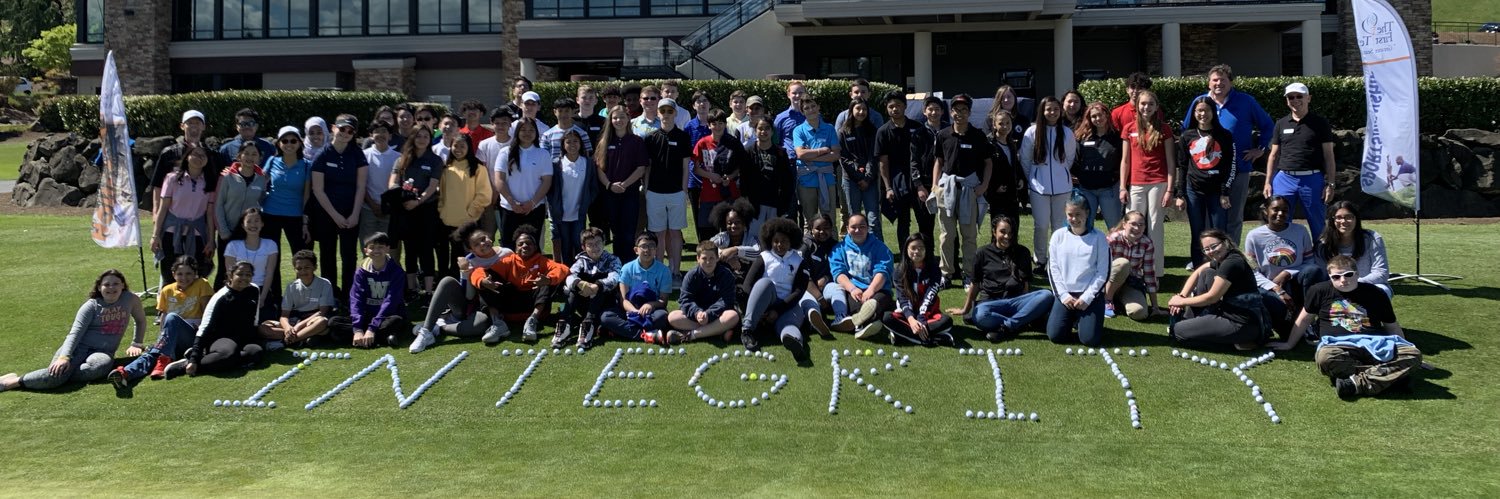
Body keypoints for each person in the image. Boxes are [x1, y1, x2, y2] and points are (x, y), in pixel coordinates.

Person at [1269, 256, 1420, 399]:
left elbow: (1391, 326)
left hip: (1375, 343)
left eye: (1348, 274)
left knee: (1413, 355)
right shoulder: (1318, 291)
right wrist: (1289, 344)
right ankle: (1392, 378)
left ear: (1357, 273)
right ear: (1330, 276)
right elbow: (1304, 319)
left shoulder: (1375, 293)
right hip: (1337, 346)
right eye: (1336, 277)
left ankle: (1354, 384)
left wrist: (1404, 348)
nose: (1343, 280)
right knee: (1325, 358)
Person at [0, 270, 144, 393]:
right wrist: (64, 358)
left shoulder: (130, 299)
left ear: (123, 285)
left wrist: (136, 343)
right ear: (99, 287)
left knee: (99, 367)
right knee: (55, 377)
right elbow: (75, 334)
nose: (111, 288)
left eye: (116, 283)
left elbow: (140, 320)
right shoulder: (91, 306)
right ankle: (13, 381)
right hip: (78, 348)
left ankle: (62, 375)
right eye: (106, 284)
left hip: (102, 352)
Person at [1181, 64, 1275, 245]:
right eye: (1215, 80)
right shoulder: (1200, 102)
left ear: (1231, 82)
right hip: (1205, 173)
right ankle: (1205, 258)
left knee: (1233, 216)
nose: (1218, 83)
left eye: (1223, 80)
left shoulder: (1246, 101)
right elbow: (1187, 131)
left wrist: (1260, 149)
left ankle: (1231, 255)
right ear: (1208, 83)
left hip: (1238, 167)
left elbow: (1268, 126)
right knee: (1207, 218)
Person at [109, 258, 210, 389]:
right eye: (180, 274)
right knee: (154, 352)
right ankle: (126, 374)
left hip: (193, 337)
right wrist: (161, 341)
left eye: (189, 273)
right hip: (171, 338)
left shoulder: (202, 284)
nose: (184, 278)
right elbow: (164, 317)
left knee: (172, 318)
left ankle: (164, 359)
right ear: (173, 274)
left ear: (195, 273)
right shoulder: (167, 290)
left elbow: (208, 315)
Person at [948, 216, 1053, 342]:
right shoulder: (982, 253)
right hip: (991, 304)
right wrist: (965, 309)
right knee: (979, 314)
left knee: (1046, 295)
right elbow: (975, 284)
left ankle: (1007, 326)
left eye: (1010, 233)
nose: (1007, 237)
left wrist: (1025, 305)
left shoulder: (1022, 252)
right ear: (994, 232)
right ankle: (1020, 321)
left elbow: (1025, 286)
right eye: (1003, 232)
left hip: (1016, 302)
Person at [408, 227, 509, 354]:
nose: (483, 244)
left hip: (490, 307)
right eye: (477, 244)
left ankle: (439, 327)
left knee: (481, 325)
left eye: (484, 239)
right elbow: (469, 296)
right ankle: (426, 331)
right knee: (447, 281)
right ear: (471, 249)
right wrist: (465, 271)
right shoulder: (470, 260)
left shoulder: (506, 253)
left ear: (490, 237)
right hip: (470, 306)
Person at [1168, 228, 1271, 350]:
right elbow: (1199, 271)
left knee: (1178, 331)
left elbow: (1212, 297)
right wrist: (1182, 295)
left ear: (1225, 242)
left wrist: (1181, 302)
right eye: (1206, 249)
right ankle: (1196, 322)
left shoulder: (1231, 262)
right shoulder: (1223, 258)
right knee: (1207, 273)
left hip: (1242, 324)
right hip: (1231, 314)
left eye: (1214, 246)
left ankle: (1239, 343)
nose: (1211, 251)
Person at [932, 93, 993, 285]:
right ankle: (946, 274)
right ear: (950, 113)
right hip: (947, 189)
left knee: (969, 235)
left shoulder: (978, 135)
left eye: (964, 110)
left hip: (969, 189)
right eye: (956, 110)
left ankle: (969, 274)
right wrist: (935, 185)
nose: (960, 113)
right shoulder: (943, 135)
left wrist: (983, 186)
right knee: (946, 235)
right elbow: (939, 161)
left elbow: (988, 163)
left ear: (969, 112)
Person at [1264, 82, 1338, 240]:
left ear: (1308, 98)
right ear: (1287, 100)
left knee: (1317, 223)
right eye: (1291, 97)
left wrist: (1330, 183)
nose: (1295, 100)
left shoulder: (1320, 123)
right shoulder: (1281, 123)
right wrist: (1268, 181)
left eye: (1299, 96)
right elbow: (1273, 155)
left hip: (1312, 179)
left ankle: (1321, 260)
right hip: (1284, 178)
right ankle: (1282, 259)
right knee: (1280, 221)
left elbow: (1329, 156)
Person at [472, 225, 569, 344]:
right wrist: (482, 281)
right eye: (520, 244)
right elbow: (478, 271)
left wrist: (549, 279)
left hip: (535, 306)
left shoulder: (542, 261)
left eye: (528, 243)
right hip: (511, 307)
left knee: (545, 281)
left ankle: (532, 322)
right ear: (515, 247)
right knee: (485, 282)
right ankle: (498, 323)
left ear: (535, 246)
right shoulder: (509, 261)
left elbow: (563, 269)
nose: (524, 246)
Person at [739, 217, 816, 363]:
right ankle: (747, 330)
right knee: (765, 283)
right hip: (766, 301)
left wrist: (778, 310)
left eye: (784, 241)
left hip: (788, 305)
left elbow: (799, 291)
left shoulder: (799, 261)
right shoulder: (764, 257)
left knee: (789, 326)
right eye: (776, 241)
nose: (779, 245)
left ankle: (795, 343)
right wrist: (758, 310)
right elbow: (748, 285)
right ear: (770, 240)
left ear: (791, 242)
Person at [310, 114, 369, 300]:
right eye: (342, 129)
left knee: (349, 256)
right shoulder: (322, 154)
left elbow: (361, 186)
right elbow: (318, 190)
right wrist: (335, 216)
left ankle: (348, 295)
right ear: (333, 128)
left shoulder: (357, 154)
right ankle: (331, 296)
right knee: (327, 255)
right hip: (327, 213)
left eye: (350, 131)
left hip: (351, 213)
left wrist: (354, 214)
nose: (345, 133)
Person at [1119, 89, 1176, 282]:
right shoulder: (1128, 128)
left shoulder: (1165, 129)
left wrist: (1170, 189)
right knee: (1133, 227)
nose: (1146, 107)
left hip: (1158, 183)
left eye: (1151, 104)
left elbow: (1170, 161)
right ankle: (1131, 271)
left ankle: (1155, 272)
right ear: (1137, 105)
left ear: (1156, 107)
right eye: (1143, 103)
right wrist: (1122, 187)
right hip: (1135, 183)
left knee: (1154, 227)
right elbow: (1125, 161)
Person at [1175, 96, 1238, 268]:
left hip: (1217, 192)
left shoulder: (1225, 135)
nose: (1203, 114)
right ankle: (1199, 270)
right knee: (1197, 233)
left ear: (1213, 112)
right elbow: (1182, 166)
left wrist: (1225, 192)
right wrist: (1180, 194)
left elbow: (1230, 166)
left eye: (1206, 110)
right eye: (1199, 111)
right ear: (1194, 113)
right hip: (1194, 191)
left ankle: (1222, 269)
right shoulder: (1186, 136)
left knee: (1219, 234)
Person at [812, 214, 895, 340]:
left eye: (862, 227)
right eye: (853, 227)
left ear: (868, 228)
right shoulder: (839, 249)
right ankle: (870, 321)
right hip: (854, 290)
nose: (858, 230)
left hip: (878, 290)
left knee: (875, 302)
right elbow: (838, 273)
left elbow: (882, 272)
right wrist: (852, 289)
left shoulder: (880, 247)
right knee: (856, 307)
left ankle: (861, 324)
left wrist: (871, 290)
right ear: (847, 228)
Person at [1245, 196, 1317, 336]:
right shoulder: (1254, 236)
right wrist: (1276, 288)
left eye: (1285, 210)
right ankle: (1279, 324)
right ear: (1266, 211)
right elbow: (1251, 271)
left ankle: (1307, 319)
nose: (1280, 214)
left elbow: (1309, 261)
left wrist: (1288, 273)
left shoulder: (1300, 231)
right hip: (1269, 287)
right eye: (1275, 209)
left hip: (1296, 283)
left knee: (1313, 271)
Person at [1021, 96, 1077, 272]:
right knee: (1042, 225)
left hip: (1062, 188)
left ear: (1060, 112)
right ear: (1042, 111)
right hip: (1038, 187)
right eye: (1048, 109)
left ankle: (1056, 259)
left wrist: (1062, 173)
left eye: (1055, 109)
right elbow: (1025, 159)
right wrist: (1034, 177)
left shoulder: (1067, 133)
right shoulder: (1032, 132)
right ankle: (1041, 260)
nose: (1052, 112)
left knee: (1059, 225)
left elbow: (1069, 158)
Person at [179, 262, 264, 376]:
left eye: (248, 275)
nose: (244, 278)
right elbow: (204, 328)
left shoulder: (254, 290)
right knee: (227, 354)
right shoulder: (221, 297)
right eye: (240, 274)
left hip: (242, 338)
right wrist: (194, 357)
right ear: (230, 276)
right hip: (220, 338)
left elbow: (254, 318)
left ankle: (225, 359)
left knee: (256, 352)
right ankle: (190, 363)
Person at [1046, 196, 1109, 347]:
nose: (1074, 218)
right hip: (1066, 296)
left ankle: (1086, 320)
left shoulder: (1099, 238)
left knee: (1089, 339)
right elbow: (1052, 269)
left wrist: (1087, 297)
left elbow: (1103, 272)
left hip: (1090, 297)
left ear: (1087, 213)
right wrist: (1063, 295)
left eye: (1078, 214)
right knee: (1056, 336)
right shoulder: (1058, 236)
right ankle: (1073, 318)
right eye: (1070, 215)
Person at [388, 125, 443, 296]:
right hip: (405, 210)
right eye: (418, 136)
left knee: (426, 249)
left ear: (430, 139)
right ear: (412, 138)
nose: (422, 139)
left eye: (426, 136)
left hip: (426, 209)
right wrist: (402, 196)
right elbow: (393, 182)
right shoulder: (402, 159)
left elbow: (433, 186)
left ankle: (428, 291)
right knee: (410, 249)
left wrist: (417, 201)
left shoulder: (435, 160)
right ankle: (411, 289)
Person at [599, 232, 681, 346]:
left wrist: (650, 305)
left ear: (656, 250)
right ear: (636, 250)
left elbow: (663, 301)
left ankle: (620, 331)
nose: (647, 250)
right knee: (606, 317)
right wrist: (635, 312)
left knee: (662, 317)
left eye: (651, 246)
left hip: (651, 312)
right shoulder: (627, 268)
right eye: (643, 246)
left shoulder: (664, 271)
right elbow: (624, 300)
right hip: (629, 309)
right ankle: (647, 335)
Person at [151, 144, 217, 283]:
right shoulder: (172, 178)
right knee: (170, 274)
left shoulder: (210, 182)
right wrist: (155, 235)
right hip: (171, 232)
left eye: (203, 156)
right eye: (196, 154)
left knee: (196, 274)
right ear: (187, 157)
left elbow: (210, 215)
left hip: (197, 234)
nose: (199, 158)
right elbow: (163, 209)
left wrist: (211, 240)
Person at [643, 97, 693, 281]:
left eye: (669, 111)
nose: (666, 115)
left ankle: (676, 270)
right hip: (655, 192)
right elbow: (647, 166)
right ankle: (660, 271)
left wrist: (684, 190)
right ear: (658, 113)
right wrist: (647, 189)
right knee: (658, 233)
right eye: (662, 111)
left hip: (676, 192)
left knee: (675, 232)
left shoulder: (683, 137)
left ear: (675, 113)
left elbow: (686, 166)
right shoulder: (650, 138)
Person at [261, 126, 313, 296]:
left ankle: (300, 295)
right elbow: (259, 183)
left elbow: (306, 196)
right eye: (285, 141)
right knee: (272, 257)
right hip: (270, 214)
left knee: (301, 258)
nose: (289, 144)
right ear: (279, 144)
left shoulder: (306, 165)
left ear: (299, 143)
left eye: (293, 141)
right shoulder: (272, 161)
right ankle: (274, 296)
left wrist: (305, 222)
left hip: (295, 216)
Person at [437, 134, 494, 279]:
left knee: (469, 256)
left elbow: (484, 194)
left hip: (469, 221)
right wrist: (442, 211)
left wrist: (470, 213)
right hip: (448, 220)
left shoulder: (478, 168)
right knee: (451, 255)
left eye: (462, 146)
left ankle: (472, 285)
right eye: (455, 145)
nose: (458, 149)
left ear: (469, 148)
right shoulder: (446, 168)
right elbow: (441, 194)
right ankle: (451, 283)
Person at [595, 105, 649, 257]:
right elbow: (599, 168)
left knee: (629, 232)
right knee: (616, 233)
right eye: (615, 117)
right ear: (610, 120)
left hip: (630, 193)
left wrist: (624, 184)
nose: (619, 120)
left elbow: (641, 168)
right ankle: (617, 265)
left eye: (622, 117)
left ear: (628, 119)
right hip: (610, 194)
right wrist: (609, 185)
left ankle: (629, 265)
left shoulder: (636, 141)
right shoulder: (604, 142)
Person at [554, 227, 621, 349]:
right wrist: (581, 284)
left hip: (605, 304)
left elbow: (615, 278)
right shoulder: (580, 261)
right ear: (584, 247)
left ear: (604, 243)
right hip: (584, 302)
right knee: (573, 289)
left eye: (598, 243)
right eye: (590, 245)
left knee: (599, 287)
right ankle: (563, 325)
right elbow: (569, 276)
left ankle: (588, 325)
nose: (595, 247)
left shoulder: (613, 260)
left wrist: (596, 286)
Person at [883, 233, 954, 346]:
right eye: (913, 248)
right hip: (906, 316)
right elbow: (902, 297)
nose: (916, 251)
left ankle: (903, 337)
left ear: (927, 250)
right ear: (906, 249)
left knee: (947, 321)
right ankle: (930, 339)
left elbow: (930, 296)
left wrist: (921, 320)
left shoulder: (934, 269)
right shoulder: (899, 270)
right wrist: (911, 320)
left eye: (921, 248)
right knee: (886, 318)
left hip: (928, 314)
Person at [876, 91, 928, 245]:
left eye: (898, 105)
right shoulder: (883, 131)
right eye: (891, 106)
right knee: (903, 221)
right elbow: (883, 162)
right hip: (898, 182)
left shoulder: (917, 127)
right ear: (887, 108)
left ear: (905, 106)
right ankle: (906, 256)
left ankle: (927, 254)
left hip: (918, 180)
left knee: (924, 219)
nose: (895, 109)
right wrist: (888, 187)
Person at [212, 142, 266, 286]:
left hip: (248, 232)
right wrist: (223, 232)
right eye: (246, 153)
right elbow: (218, 205)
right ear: (239, 156)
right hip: (228, 231)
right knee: (226, 271)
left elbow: (260, 202)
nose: (250, 157)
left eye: (254, 154)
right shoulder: (227, 177)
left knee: (245, 269)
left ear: (259, 158)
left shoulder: (262, 179)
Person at [1309, 201, 1391, 296]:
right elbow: (1323, 274)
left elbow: (1381, 272)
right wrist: (1341, 285)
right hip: (1336, 287)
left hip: (1367, 285)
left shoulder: (1372, 238)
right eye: (1338, 217)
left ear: (1356, 219)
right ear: (1332, 220)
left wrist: (1354, 283)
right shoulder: (1323, 244)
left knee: (1383, 290)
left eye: (1348, 217)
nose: (1343, 221)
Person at [668, 240, 742, 343]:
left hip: (718, 314)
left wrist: (709, 314)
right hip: (698, 316)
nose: (708, 262)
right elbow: (685, 300)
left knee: (732, 316)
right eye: (704, 258)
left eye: (712, 258)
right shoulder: (691, 275)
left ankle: (693, 335)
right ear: (698, 259)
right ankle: (716, 331)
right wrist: (697, 312)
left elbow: (727, 301)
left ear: (717, 258)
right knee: (673, 317)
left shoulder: (726, 275)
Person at [495, 118, 552, 247]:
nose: (527, 133)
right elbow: (499, 180)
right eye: (523, 129)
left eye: (531, 130)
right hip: (509, 208)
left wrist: (532, 203)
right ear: (517, 132)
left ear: (536, 133)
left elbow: (547, 181)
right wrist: (512, 202)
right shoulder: (505, 152)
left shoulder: (542, 154)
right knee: (508, 247)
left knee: (532, 247)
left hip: (535, 209)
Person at [693, 109, 746, 247]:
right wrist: (710, 175)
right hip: (708, 194)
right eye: (714, 124)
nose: (717, 127)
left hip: (730, 193)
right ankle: (708, 259)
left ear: (725, 124)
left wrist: (730, 177)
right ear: (709, 125)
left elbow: (741, 166)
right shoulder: (702, 143)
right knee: (707, 230)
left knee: (731, 230)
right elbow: (696, 168)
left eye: (721, 123)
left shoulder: (733, 143)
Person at [547, 129, 599, 268]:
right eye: (568, 142)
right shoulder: (557, 164)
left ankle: (580, 272)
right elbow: (551, 190)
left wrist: (587, 201)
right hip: (562, 214)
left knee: (579, 244)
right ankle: (566, 275)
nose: (572, 144)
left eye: (575, 141)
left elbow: (593, 187)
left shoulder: (587, 163)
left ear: (581, 144)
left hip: (578, 214)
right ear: (563, 145)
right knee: (565, 245)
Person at [261, 250, 334, 348]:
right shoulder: (291, 286)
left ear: (315, 267)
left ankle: (286, 341)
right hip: (295, 320)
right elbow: (284, 315)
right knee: (263, 328)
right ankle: (303, 336)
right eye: (299, 268)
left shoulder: (325, 284)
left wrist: (297, 327)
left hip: (313, 319)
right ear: (295, 269)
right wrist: (287, 328)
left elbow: (322, 311)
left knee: (323, 322)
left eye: (307, 267)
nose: (303, 271)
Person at [151, 110, 218, 217]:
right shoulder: (169, 153)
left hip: (200, 216)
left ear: (203, 126)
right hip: (172, 214)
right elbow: (158, 184)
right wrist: (156, 211)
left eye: (197, 123)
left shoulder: (211, 154)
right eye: (190, 122)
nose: (194, 126)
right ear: (182, 126)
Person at [347, 232, 406, 348]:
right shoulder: (361, 272)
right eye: (372, 247)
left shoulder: (397, 272)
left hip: (387, 315)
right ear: (366, 251)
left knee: (397, 320)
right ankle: (378, 337)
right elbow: (356, 299)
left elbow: (391, 301)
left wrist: (372, 327)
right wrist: (358, 329)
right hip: (367, 315)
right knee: (334, 322)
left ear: (388, 249)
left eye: (380, 247)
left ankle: (367, 337)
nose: (376, 251)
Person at [1072, 102, 1124, 231]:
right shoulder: (1082, 137)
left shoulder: (1117, 137)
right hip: (1086, 189)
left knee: (1115, 227)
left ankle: (1114, 251)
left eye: (1100, 115)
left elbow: (1123, 160)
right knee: (1085, 226)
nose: (1097, 119)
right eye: (1093, 116)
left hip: (1110, 189)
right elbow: (1075, 160)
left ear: (1107, 115)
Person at [1103, 211, 1162, 321]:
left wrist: (1155, 307)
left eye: (1141, 225)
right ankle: (1107, 301)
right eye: (1133, 224)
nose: (1137, 228)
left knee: (1139, 313)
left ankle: (1118, 301)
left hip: (1130, 283)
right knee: (1123, 264)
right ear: (1124, 224)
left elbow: (1149, 274)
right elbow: (1099, 266)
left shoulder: (1147, 243)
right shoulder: (1112, 239)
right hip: (1107, 281)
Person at [741, 118, 794, 238]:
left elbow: (787, 181)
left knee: (774, 238)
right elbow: (743, 180)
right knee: (753, 238)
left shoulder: (780, 153)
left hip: (775, 204)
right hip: (755, 205)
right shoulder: (748, 152)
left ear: (772, 131)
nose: (763, 131)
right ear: (755, 131)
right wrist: (747, 204)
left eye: (767, 128)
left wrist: (784, 205)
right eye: (760, 128)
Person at [223, 208, 279, 319]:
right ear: (243, 225)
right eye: (249, 221)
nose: (253, 224)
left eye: (257, 220)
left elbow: (269, 273)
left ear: (262, 223)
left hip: (261, 290)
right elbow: (230, 274)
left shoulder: (270, 245)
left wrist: (262, 298)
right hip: (238, 288)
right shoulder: (233, 246)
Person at [793, 96, 841, 226]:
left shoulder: (829, 128)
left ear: (818, 107)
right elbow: (800, 154)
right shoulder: (798, 130)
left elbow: (836, 154)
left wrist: (811, 155)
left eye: (813, 106)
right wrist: (823, 150)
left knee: (829, 218)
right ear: (802, 112)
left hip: (827, 178)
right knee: (810, 220)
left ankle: (832, 245)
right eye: (806, 108)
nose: (811, 110)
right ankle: (811, 246)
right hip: (806, 179)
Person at [840, 98, 882, 240]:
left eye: (864, 109)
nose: (861, 112)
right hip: (851, 180)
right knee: (854, 218)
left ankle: (878, 252)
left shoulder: (873, 131)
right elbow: (843, 158)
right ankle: (856, 251)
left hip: (870, 180)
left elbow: (874, 156)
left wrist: (867, 177)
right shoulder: (843, 132)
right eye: (858, 109)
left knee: (873, 219)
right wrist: (858, 176)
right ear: (851, 110)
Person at [359, 119, 401, 241]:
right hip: (368, 208)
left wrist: (387, 205)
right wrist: (372, 204)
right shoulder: (364, 155)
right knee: (368, 246)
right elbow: (361, 184)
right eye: (377, 131)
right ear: (371, 135)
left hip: (390, 210)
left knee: (389, 247)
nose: (381, 135)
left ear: (390, 135)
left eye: (384, 131)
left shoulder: (398, 157)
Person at [983, 108, 1024, 227]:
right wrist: (993, 187)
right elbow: (984, 168)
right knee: (999, 228)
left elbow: (1015, 165)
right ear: (994, 125)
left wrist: (1020, 179)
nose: (1005, 126)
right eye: (1001, 123)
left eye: (1008, 123)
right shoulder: (989, 144)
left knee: (1013, 226)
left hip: (1012, 193)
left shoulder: (1012, 143)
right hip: (997, 194)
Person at [684, 91, 714, 239]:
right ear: (694, 106)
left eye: (705, 101)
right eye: (699, 101)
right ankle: (701, 242)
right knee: (697, 212)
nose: (702, 104)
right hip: (694, 178)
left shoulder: (715, 124)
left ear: (710, 104)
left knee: (714, 213)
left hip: (713, 177)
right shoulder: (689, 127)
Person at [543, 97, 594, 163]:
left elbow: (587, 155)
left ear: (573, 112)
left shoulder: (582, 133)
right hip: (553, 171)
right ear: (555, 112)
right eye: (560, 111)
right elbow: (543, 157)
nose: (563, 114)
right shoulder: (547, 135)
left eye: (567, 111)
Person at [774, 80, 809, 165]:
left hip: (810, 162)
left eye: (800, 93)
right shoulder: (780, 118)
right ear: (788, 95)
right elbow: (775, 142)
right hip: (789, 163)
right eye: (794, 93)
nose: (797, 95)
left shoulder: (814, 116)